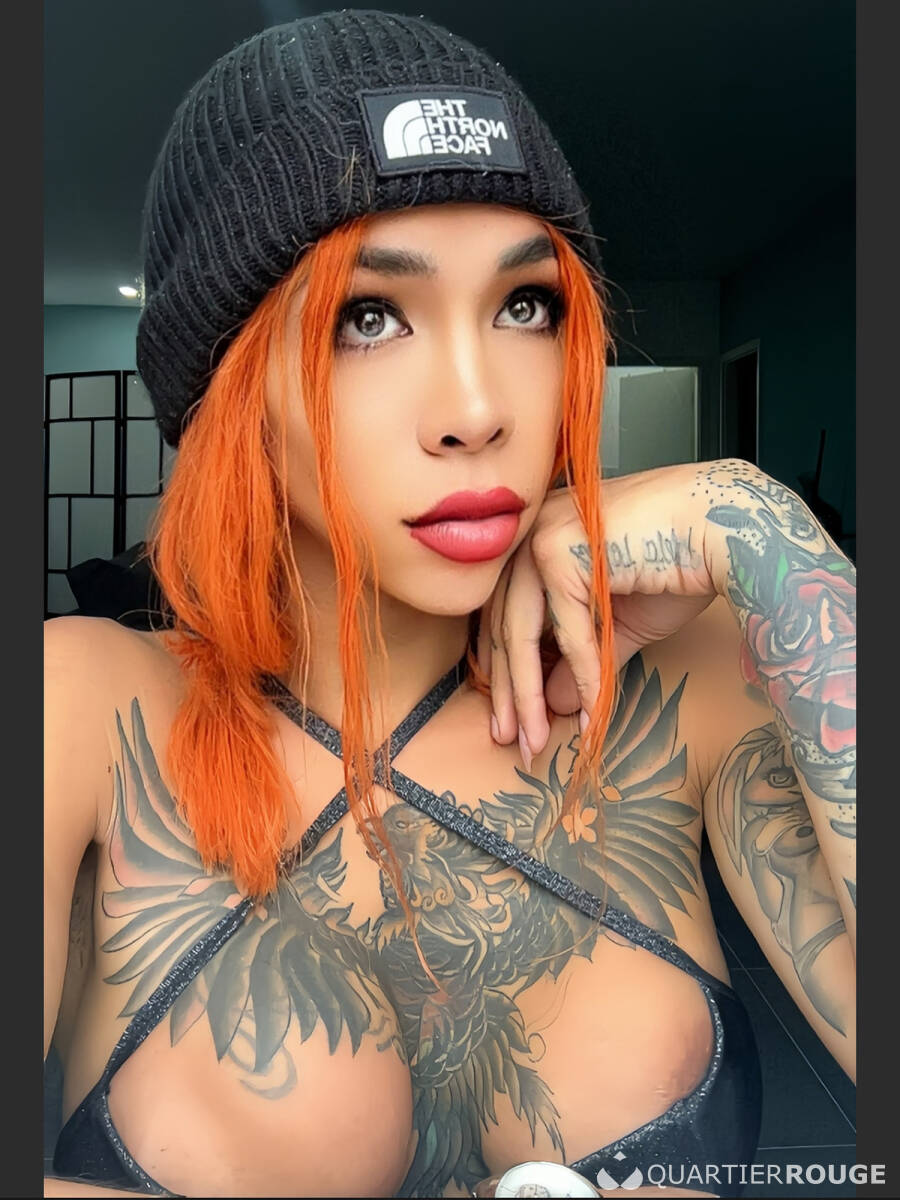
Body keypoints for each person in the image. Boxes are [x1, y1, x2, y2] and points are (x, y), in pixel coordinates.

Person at [44, 10, 856, 1199]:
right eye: (367, 317)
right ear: (226, 387)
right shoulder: (79, 712)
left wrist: (771, 536)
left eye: (527, 305)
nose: (478, 410)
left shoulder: (687, 686)